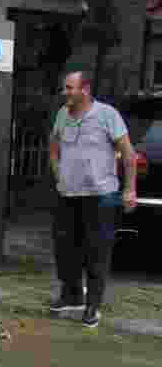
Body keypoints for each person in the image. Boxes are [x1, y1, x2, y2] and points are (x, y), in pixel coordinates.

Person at [48, 71, 138, 328]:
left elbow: (128, 155)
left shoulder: (107, 115)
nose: (65, 92)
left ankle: (92, 305)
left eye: (69, 88)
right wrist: (59, 175)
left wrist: (129, 190)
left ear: (84, 90)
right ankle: (71, 295)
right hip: (68, 194)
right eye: (64, 87)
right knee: (66, 248)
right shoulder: (63, 115)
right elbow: (53, 147)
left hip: (101, 196)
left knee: (96, 251)